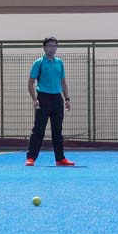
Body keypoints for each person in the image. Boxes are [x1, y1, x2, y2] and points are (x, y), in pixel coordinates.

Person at [25, 36, 75, 167]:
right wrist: (35, 99)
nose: (52, 48)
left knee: (57, 130)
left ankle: (60, 159)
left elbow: (63, 82)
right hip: (43, 98)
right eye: (49, 46)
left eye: (54, 46)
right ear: (44, 47)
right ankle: (31, 158)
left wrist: (67, 99)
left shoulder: (59, 63)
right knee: (38, 130)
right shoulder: (39, 63)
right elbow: (30, 83)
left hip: (57, 99)